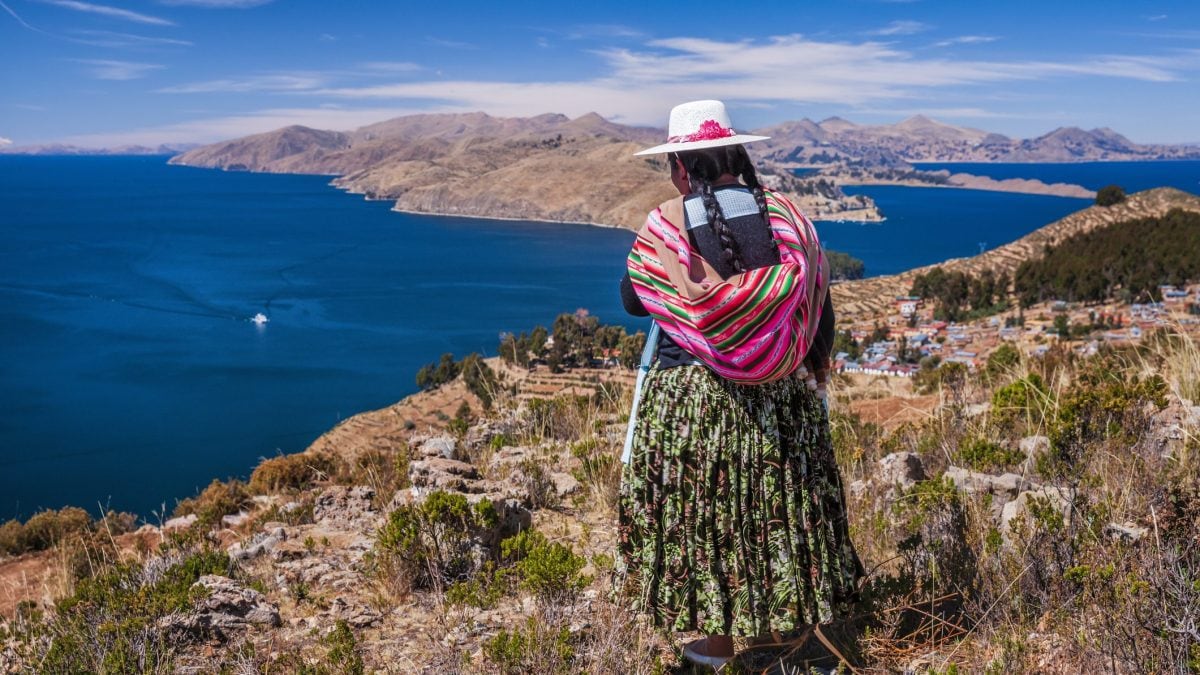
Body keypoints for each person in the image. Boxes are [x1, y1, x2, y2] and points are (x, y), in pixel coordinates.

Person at [616, 100, 863, 667]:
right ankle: (793, 638)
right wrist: (810, 369)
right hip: (782, 396)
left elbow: (632, 299)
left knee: (702, 520)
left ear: (681, 167)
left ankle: (715, 647)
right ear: (737, 155)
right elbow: (818, 306)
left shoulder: (666, 227)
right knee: (778, 511)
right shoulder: (788, 219)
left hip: (691, 403)